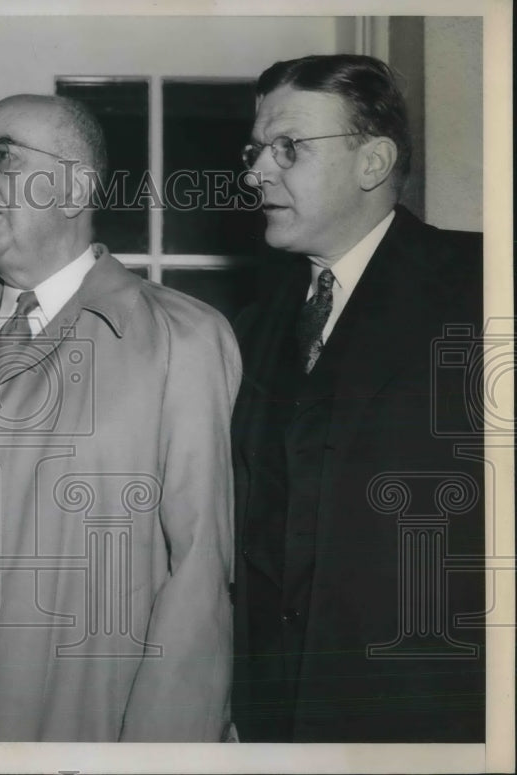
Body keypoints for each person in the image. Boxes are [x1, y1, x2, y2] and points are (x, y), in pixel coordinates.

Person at [0, 94, 241, 741]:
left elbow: (200, 580)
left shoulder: (183, 338)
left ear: (74, 187)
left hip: (86, 726)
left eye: (2, 157)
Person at [231, 54, 484, 742]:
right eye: (256, 150)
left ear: (373, 162)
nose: (255, 173)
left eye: (288, 147)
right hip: (275, 725)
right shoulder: (253, 331)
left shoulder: (484, 287)